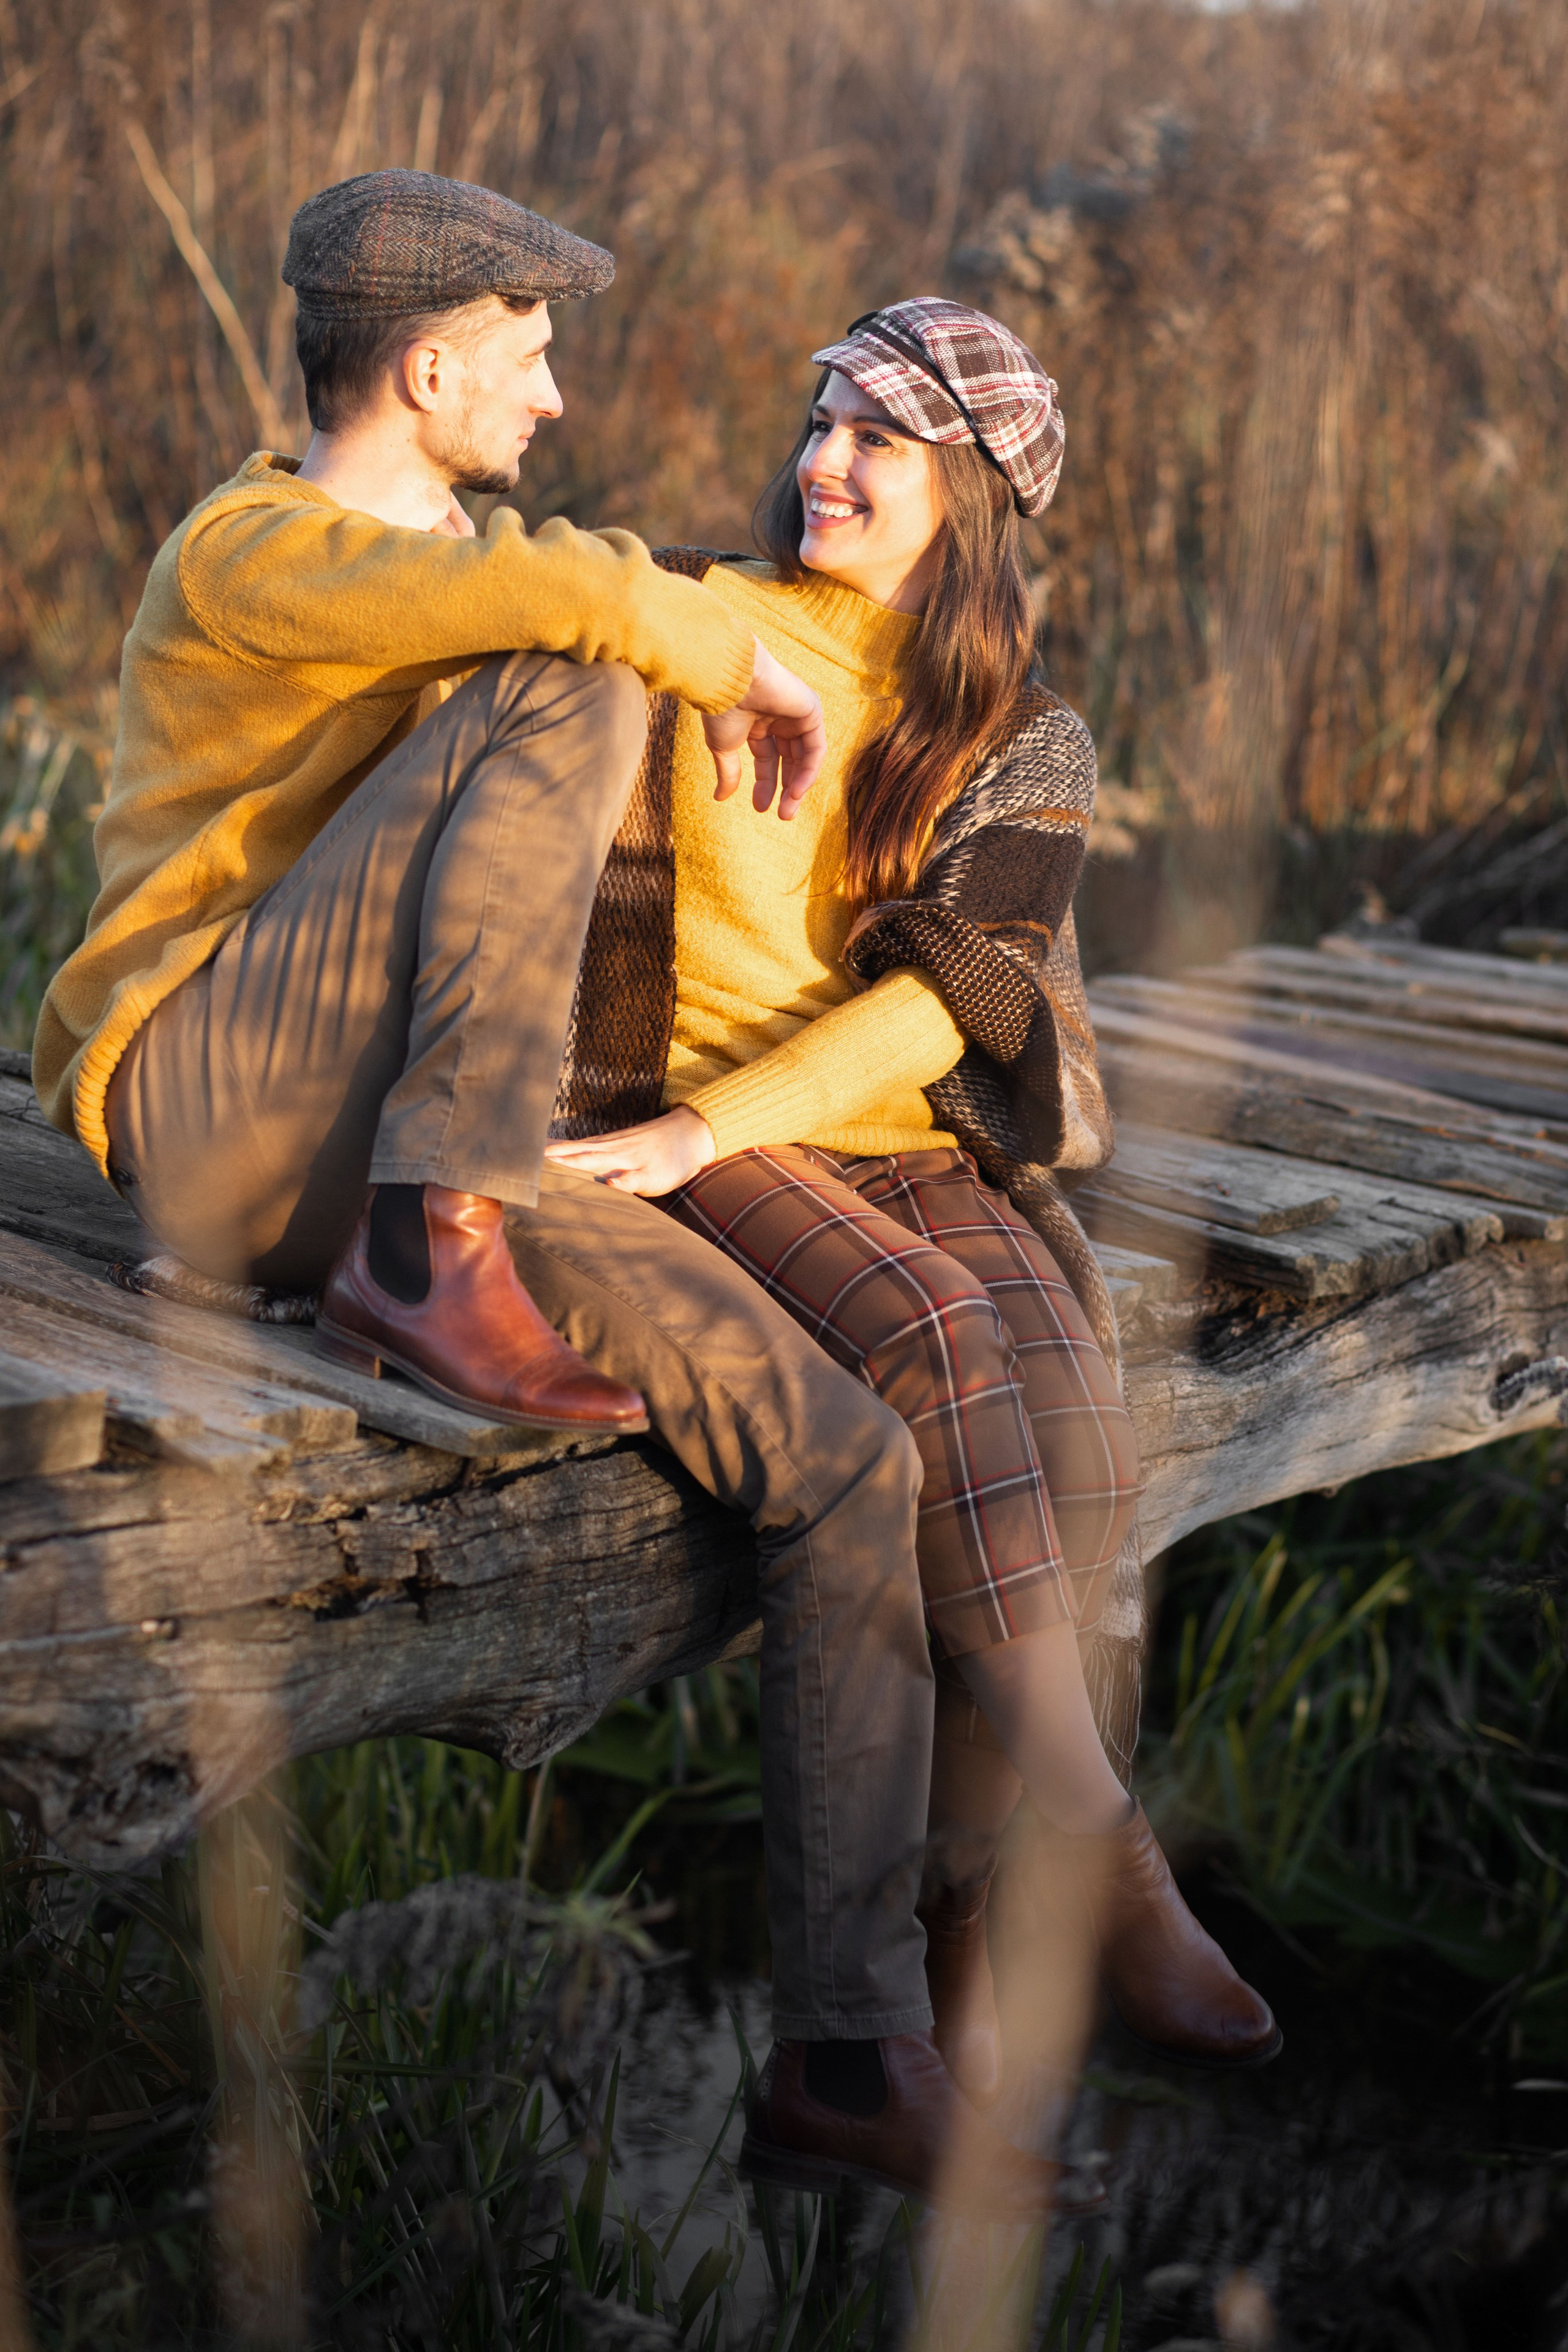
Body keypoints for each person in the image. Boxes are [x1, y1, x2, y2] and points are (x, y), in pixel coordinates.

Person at [32, 184, 1094, 2215]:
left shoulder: (457, 565)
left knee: (848, 1464)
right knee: (577, 670)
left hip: (429, 1145)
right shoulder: (259, 548)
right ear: (427, 370)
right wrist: (721, 657)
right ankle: (437, 1247)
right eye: (529, 353)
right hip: (216, 1104)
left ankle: (849, 2049)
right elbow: (591, 612)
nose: (559, 387)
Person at [545, 298, 1284, 2147]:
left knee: (1082, 1440)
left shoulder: (1025, 734)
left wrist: (778, 1107)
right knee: (943, 1357)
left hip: (914, 1143)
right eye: (821, 419)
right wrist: (695, 1126)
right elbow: (527, 600)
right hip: (692, 1140)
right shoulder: (692, 628)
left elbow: (956, 997)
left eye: (882, 438)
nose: (826, 462)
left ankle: (965, 1922)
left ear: (970, 493)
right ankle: (1108, 1861)